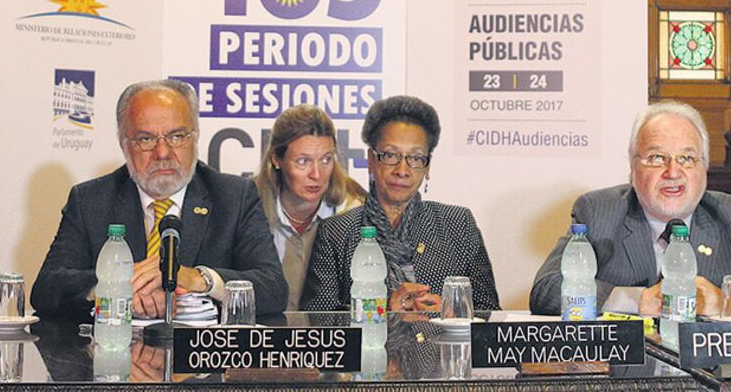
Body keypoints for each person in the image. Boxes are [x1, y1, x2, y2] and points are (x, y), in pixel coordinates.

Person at [530, 100, 731, 317]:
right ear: (633, 167)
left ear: (704, 168)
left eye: (687, 158)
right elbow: (547, 289)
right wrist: (638, 301)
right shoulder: (598, 211)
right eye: (657, 158)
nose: (672, 172)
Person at [31, 79, 286, 319]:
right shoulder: (90, 200)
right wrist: (119, 283)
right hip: (113, 355)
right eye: (146, 139)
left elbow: (273, 289)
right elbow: (46, 290)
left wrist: (198, 279)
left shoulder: (234, 197)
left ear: (195, 137)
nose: (162, 152)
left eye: (176, 136)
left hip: (202, 361)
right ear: (124, 144)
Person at [300, 95, 499, 312]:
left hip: (440, 345)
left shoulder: (457, 224)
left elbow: (489, 313)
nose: (402, 170)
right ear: (370, 160)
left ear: (427, 167)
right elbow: (318, 323)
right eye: (390, 155)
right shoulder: (336, 233)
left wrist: (454, 314)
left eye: (415, 158)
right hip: (370, 346)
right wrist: (382, 312)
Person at [253, 104, 367, 309]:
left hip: (331, 336)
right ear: (276, 159)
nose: (317, 174)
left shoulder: (354, 208)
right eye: (303, 161)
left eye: (326, 159)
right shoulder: (247, 204)